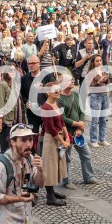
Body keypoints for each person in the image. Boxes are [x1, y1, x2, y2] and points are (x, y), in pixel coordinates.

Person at [58, 75, 96, 187]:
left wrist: (79, 127)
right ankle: (66, 181)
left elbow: (82, 111)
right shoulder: (59, 98)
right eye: (70, 80)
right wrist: (76, 124)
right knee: (67, 158)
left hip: (78, 133)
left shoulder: (75, 94)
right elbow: (62, 118)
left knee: (86, 154)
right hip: (66, 133)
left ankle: (89, 178)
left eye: (72, 80)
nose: (72, 81)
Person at [40, 78, 69, 206]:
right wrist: (63, 141)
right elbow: (51, 129)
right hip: (52, 140)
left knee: (55, 167)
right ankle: (50, 197)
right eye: (55, 90)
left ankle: (52, 192)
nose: (58, 92)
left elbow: (62, 122)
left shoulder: (56, 104)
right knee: (50, 167)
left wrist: (67, 137)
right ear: (48, 93)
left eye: (58, 89)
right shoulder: (46, 107)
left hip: (59, 138)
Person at [87, 53, 111, 147]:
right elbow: (91, 86)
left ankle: (102, 139)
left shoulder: (103, 70)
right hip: (95, 96)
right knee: (95, 120)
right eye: (97, 61)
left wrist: (107, 79)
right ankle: (93, 140)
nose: (99, 62)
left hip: (105, 95)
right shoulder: (90, 72)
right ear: (93, 63)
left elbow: (107, 83)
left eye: (100, 60)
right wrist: (99, 82)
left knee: (103, 119)